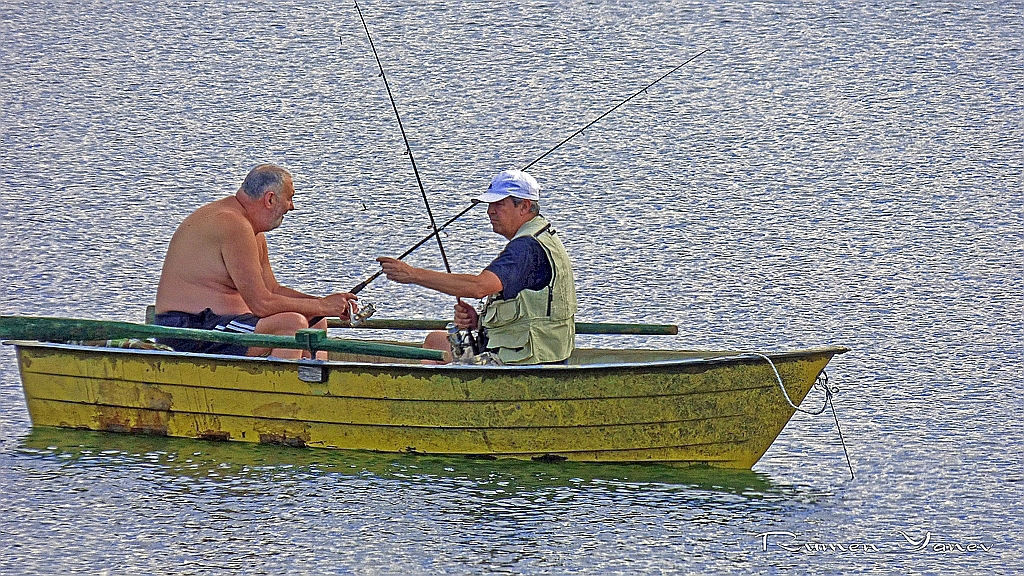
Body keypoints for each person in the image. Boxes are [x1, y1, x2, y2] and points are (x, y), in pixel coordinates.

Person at [154, 164, 357, 359]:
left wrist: (329, 305)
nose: (292, 207)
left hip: (221, 324)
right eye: (290, 198)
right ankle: (279, 390)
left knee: (315, 321)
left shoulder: (251, 230)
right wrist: (322, 305)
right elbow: (262, 304)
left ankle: (313, 384)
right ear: (270, 199)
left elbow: (273, 291)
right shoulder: (232, 223)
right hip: (187, 328)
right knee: (291, 324)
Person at [377, 169, 577, 365]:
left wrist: (412, 274)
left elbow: (478, 287)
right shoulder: (541, 234)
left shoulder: (526, 248)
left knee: (443, 358)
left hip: (526, 362)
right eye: (490, 204)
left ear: (524, 206)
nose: (490, 211)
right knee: (435, 341)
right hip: (537, 351)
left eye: (499, 204)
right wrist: (479, 321)